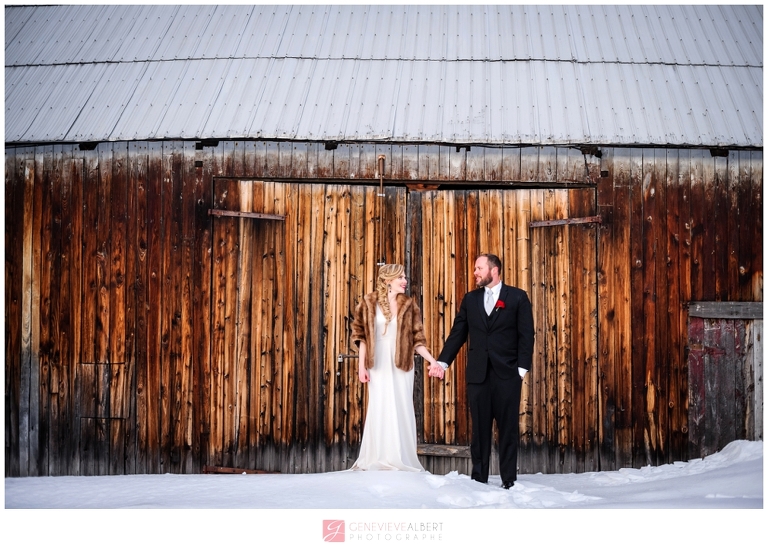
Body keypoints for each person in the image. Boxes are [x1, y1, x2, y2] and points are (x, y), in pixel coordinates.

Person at [429, 254, 534, 488]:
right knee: (479, 430)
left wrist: (521, 370)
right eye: (475, 268)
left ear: (494, 270)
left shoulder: (517, 297)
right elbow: (458, 334)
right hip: (478, 376)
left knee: (507, 429)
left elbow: (526, 336)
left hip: (507, 375)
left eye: (479, 268)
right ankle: (479, 479)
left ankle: (508, 480)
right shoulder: (471, 299)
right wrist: (443, 363)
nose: (475, 272)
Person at [350, 264, 442, 471]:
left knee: (401, 406)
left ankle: (400, 458)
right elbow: (361, 337)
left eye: (404, 276)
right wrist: (361, 367)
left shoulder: (409, 305)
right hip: (378, 362)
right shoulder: (368, 302)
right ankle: (377, 457)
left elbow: (417, 339)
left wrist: (432, 360)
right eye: (400, 277)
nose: (405, 280)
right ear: (387, 280)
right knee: (380, 406)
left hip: (402, 363)